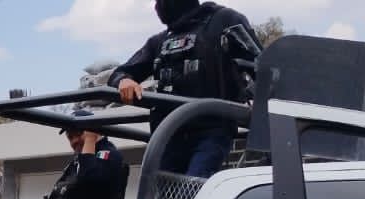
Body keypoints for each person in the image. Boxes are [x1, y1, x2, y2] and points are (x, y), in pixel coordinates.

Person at [108, 0, 261, 178]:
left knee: (192, 188)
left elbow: (261, 66)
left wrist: (256, 97)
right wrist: (124, 81)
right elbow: (120, 73)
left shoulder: (224, 20)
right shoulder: (159, 41)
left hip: (211, 131)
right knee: (161, 197)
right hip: (170, 133)